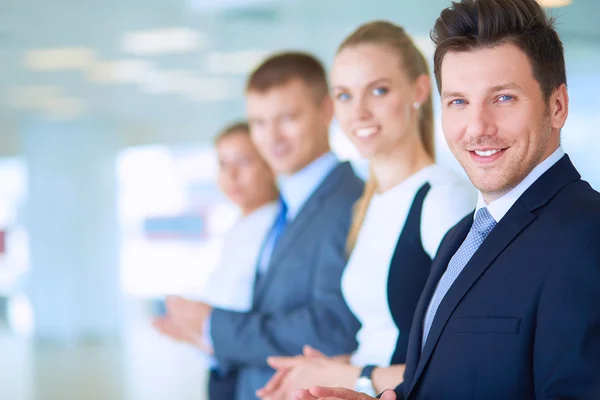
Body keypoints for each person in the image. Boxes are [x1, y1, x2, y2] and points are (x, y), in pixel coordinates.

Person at [292, 0, 600, 399]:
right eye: (458, 102)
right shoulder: (461, 238)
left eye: (503, 98)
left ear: (557, 106)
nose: (477, 127)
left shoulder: (587, 236)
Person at [255, 21, 476, 400]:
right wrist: (317, 373)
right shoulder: (369, 202)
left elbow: (467, 362)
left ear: (419, 90)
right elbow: (380, 335)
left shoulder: (442, 198)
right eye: (343, 96)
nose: (358, 113)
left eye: (378, 90)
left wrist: (349, 374)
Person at [157, 52, 365, 400]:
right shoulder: (282, 206)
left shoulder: (350, 202)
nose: (272, 137)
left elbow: (333, 327)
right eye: (259, 122)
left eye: (287, 118)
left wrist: (214, 326)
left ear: (327, 110)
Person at [154, 121, 279, 399]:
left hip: (246, 369)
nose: (231, 175)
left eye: (244, 162)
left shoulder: (277, 226)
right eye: (223, 164)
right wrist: (192, 330)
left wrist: (203, 332)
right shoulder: (239, 224)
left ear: (271, 164)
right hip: (222, 365)